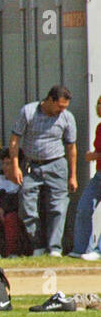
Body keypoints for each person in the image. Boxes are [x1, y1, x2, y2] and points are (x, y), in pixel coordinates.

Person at [8, 86, 77, 257]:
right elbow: (15, 140)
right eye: (60, 106)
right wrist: (16, 166)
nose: (62, 110)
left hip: (57, 165)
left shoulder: (67, 118)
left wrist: (72, 175)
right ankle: (38, 246)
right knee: (27, 206)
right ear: (50, 100)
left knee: (58, 207)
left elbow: (71, 148)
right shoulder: (28, 112)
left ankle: (54, 248)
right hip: (31, 165)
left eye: (65, 107)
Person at [68, 94, 101, 260]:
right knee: (84, 207)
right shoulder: (100, 128)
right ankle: (81, 249)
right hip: (99, 175)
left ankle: (99, 250)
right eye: (99, 102)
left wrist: (94, 156)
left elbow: (96, 154)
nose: (99, 106)